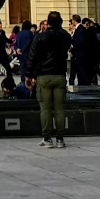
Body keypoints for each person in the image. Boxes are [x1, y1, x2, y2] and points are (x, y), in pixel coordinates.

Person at [26, 11, 70, 149]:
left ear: (48, 22)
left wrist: (28, 75)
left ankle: (47, 138)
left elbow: (32, 56)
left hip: (43, 76)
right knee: (59, 109)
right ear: (60, 22)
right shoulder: (66, 36)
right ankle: (60, 139)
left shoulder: (40, 37)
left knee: (45, 108)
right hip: (60, 75)